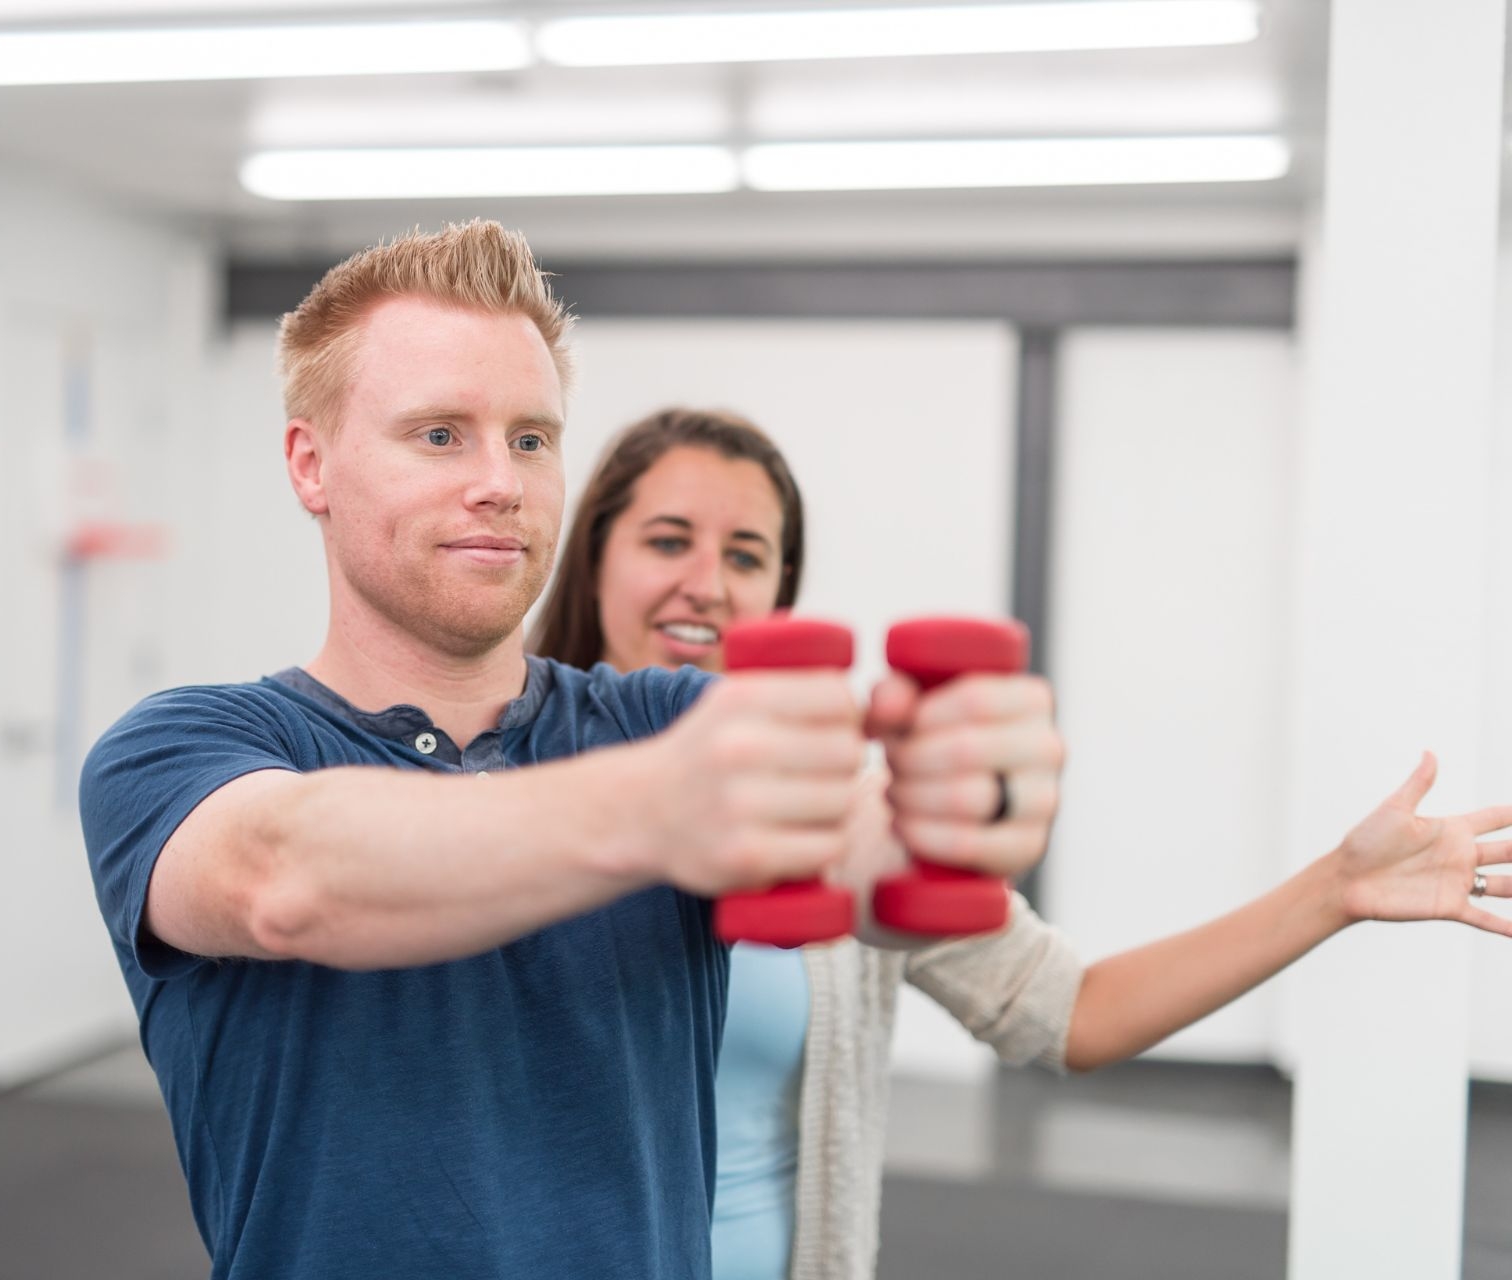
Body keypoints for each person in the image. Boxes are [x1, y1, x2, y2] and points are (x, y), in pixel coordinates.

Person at [76, 222, 1067, 1280]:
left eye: (533, 439)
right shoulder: (180, 747)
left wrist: (967, 796)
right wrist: (663, 807)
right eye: (441, 435)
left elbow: (870, 856)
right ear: (311, 464)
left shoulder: (662, 718)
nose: (502, 480)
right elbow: (287, 875)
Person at [530, 405, 1512, 1280]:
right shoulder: (498, 799)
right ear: (597, 560)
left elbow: (1074, 1010)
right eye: (669, 540)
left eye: (746, 554)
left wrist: (1336, 887)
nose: (707, 583)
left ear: (780, 598)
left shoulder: (849, 830)